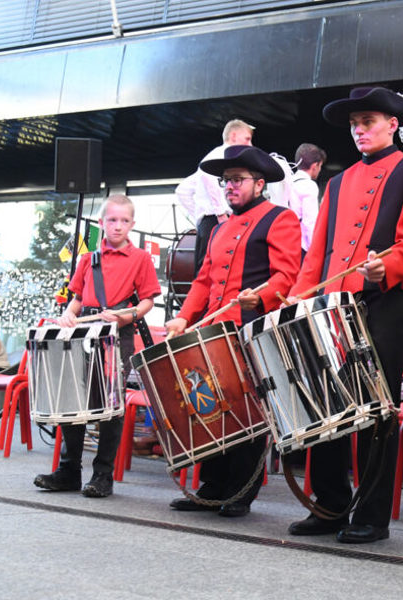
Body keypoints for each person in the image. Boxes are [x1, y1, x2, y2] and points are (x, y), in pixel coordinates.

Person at [287, 87, 403, 544]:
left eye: (368, 121)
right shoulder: (337, 182)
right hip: (331, 304)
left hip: (381, 303)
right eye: (354, 124)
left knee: (378, 410)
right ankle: (331, 504)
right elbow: (318, 254)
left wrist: (385, 267)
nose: (359, 130)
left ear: (392, 124)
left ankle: (372, 515)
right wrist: (298, 298)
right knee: (328, 406)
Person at [164, 144, 302, 517]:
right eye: (226, 181)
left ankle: (241, 490)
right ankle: (212, 485)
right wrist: (183, 317)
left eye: (237, 181)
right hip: (214, 331)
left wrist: (258, 297)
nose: (230, 187)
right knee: (215, 411)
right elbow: (203, 282)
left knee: (247, 412)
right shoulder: (220, 228)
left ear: (259, 184)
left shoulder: (281, 218)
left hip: (252, 329)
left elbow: (287, 276)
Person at [34, 194, 161, 498]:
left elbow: (146, 301)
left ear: (132, 224)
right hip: (83, 333)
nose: (117, 226)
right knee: (72, 400)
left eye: (124, 221)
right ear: (102, 222)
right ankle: (68, 471)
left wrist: (124, 316)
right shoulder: (88, 259)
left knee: (110, 404)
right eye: (112, 220)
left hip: (118, 334)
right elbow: (76, 297)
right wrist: (68, 315)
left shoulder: (141, 259)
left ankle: (103, 475)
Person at [175, 119, 256, 275]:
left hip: (212, 220)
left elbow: (182, 190)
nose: (250, 145)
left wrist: (200, 215)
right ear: (233, 136)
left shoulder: (214, 156)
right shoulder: (220, 154)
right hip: (218, 220)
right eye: (247, 139)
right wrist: (218, 213)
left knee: (209, 268)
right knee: (213, 268)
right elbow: (207, 177)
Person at [289, 143, 327, 252]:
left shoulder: (288, 182)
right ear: (315, 166)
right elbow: (309, 223)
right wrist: (315, 251)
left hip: (285, 242)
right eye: (320, 166)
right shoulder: (309, 185)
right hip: (300, 246)